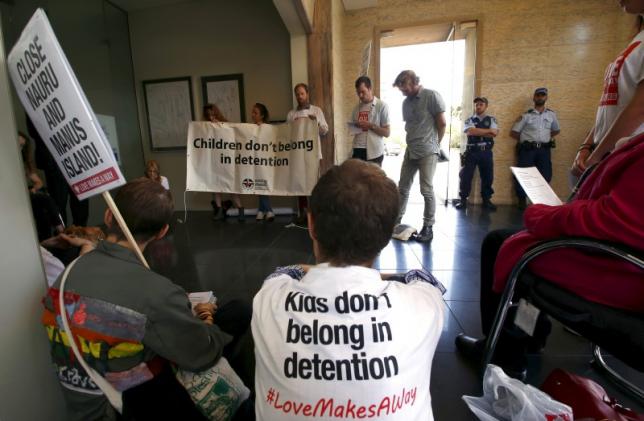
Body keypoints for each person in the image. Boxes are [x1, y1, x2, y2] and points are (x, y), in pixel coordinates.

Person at [41, 178, 252, 420]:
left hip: (82, 400)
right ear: (162, 231)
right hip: (127, 406)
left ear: (109, 217)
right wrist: (206, 319)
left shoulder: (66, 275)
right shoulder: (157, 291)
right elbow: (201, 353)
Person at [252, 159, 445, 421]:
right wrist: (379, 275)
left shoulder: (269, 299)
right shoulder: (423, 305)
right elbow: (423, 278)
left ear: (311, 224)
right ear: (388, 234)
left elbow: (283, 272)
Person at [456, 132, 644, 379]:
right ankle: (531, 334)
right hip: (617, 258)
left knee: (500, 244)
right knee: (521, 242)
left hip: (618, 267)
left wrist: (546, 215)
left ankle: (503, 352)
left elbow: (617, 219)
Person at [572, 6, 644, 178]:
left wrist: (595, 160)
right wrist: (587, 147)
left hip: (631, 158)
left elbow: (640, 109)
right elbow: (613, 106)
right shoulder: (637, 40)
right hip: (609, 155)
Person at [392, 70, 447, 242]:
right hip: (411, 149)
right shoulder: (405, 103)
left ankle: (428, 227)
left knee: (426, 189)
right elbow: (410, 125)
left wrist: (436, 145)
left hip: (428, 150)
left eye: (405, 88)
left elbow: (442, 123)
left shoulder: (431, 96)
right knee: (402, 188)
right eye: (401, 90)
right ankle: (395, 222)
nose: (403, 92)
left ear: (415, 82)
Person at [28, 116, 89, 226]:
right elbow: (34, 131)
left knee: (81, 200)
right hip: (54, 161)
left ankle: (81, 232)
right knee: (58, 203)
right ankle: (62, 235)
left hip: (76, 159)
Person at [511, 88, 561, 209]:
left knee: (546, 175)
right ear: (534, 98)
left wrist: (545, 139)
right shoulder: (526, 115)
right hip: (528, 150)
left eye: (542, 95)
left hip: (544, 150)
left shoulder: (551, 115)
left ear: (546, 98)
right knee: (524, 175)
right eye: (538, 95)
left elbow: (556, 130)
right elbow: (514, 132)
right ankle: (521, 200)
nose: (540, 97)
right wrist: (526, 140)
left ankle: (542, 201)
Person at [286, 83, 329, 225]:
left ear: (307, 94)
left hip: (313, 153)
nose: (299, 96)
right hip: (297, 153)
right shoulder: (291, 114)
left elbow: (325, 130)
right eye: (297, 94)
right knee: (299, 183)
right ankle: (303, 213)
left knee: (314, 183)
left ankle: (315, 215)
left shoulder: (316, 111)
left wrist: (315, 122)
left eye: (302, 93)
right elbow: (287, 134)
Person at [454, 97, 499, 211]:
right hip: (472, 152)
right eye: (476, 105)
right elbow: (470, 131)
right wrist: (487, 131)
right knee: (466, 176)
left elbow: (494, 133)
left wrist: (478, 131)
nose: (478, 106)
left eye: (481, 104)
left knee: (488, 177)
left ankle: (486, 200)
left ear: (486, 106)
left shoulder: (492, 119)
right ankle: (463, 200)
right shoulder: (469, 120)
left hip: (486, 152)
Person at [204, 104, 245, 221]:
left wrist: (220, 126)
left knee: (231, 188)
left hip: (226, 161)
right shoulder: (205, 127)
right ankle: (219, 210)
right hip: (214, 161)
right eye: (208, 116)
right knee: (217, 187)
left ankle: (240, 210)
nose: (211, 117)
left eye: (212, 114)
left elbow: (232, 137)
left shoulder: (226, 124)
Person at [350, 76, 391, 166]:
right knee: (357, 179)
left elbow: (387, 133)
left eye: (363, 92)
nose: (360, 95)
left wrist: (371, 126)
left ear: (370, 88)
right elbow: (353, 129)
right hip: (357, 149)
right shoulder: (356, 108)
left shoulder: (382, 106)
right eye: (358, 93)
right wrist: (354, 126)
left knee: (373, 179)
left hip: (374, 152)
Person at [251, 103, 275, 222]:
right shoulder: (250, 128)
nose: (252, 115)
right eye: (252, 112)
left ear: (262, 115)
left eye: (255, 113)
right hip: (254, 161)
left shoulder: (267, 128)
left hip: (265, 161)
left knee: (263, 184)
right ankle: (262, 210)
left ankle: (268, 210)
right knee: (259, 184)